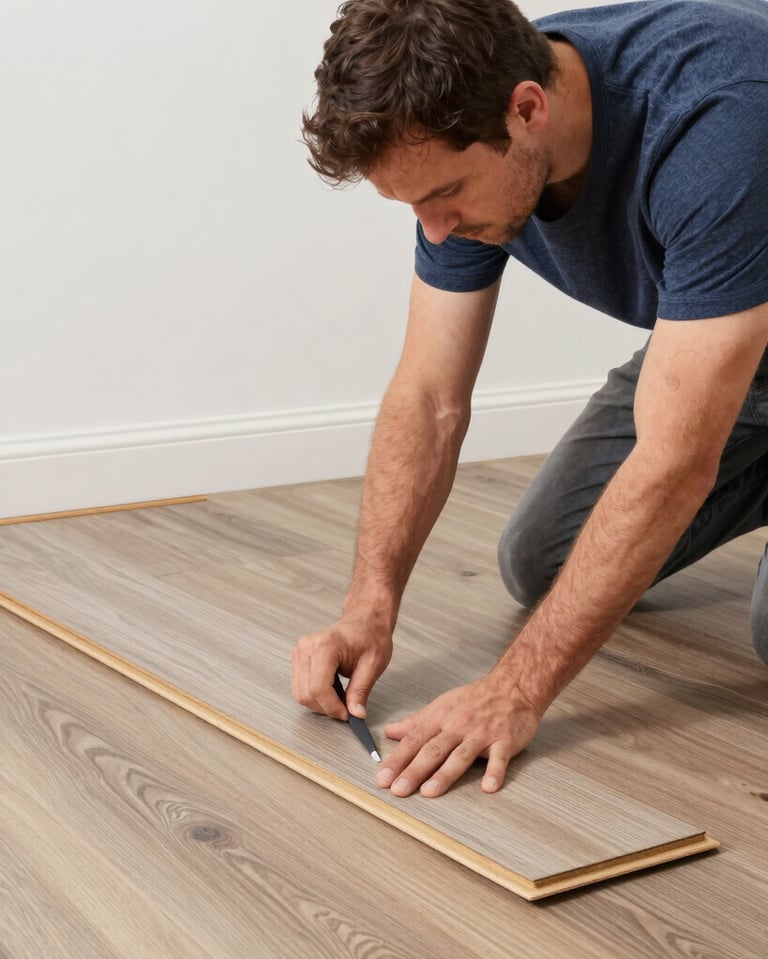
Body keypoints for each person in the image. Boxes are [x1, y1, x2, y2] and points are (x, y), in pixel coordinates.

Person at [291, 0, 768, 800]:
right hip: (733, 345)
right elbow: (430, 394)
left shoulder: (720, 127)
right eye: (414, 206)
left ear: (528, 110)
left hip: (739, 327)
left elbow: (674, 463)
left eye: (445, 193)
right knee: (541, 557)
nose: (433, 231)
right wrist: (368, 605)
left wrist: (513, 689)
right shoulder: (464, 116)